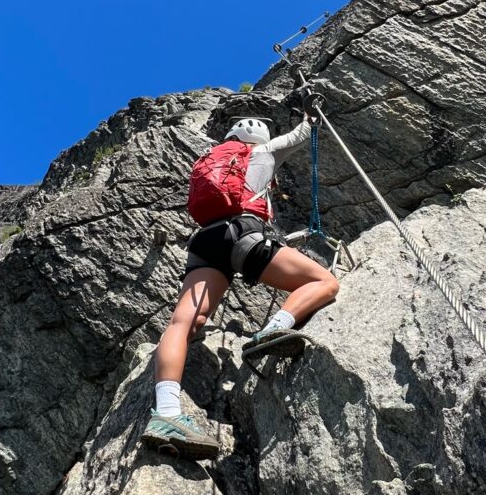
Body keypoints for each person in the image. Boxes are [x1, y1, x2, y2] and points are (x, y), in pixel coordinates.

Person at [142, 107, 339, 459]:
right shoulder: (261, 152)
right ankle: (273, 331)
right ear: (258, 136)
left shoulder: (212, 159)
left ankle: (167, 414)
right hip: (243, 233)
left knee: (184, 322)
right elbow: (298, 137)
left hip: (205, 241)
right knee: (323, 281)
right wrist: (311, 115)